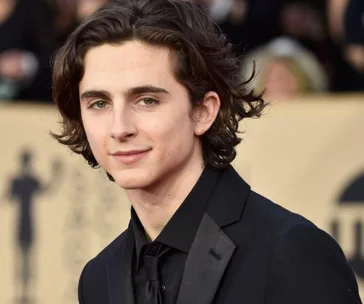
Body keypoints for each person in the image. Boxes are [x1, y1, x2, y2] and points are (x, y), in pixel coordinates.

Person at [51, 0, 362, 303]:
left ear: (203, 111)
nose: (120, 128)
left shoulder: (290, 252)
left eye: (146, 100)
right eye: (99, 104)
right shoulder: (98, 279)